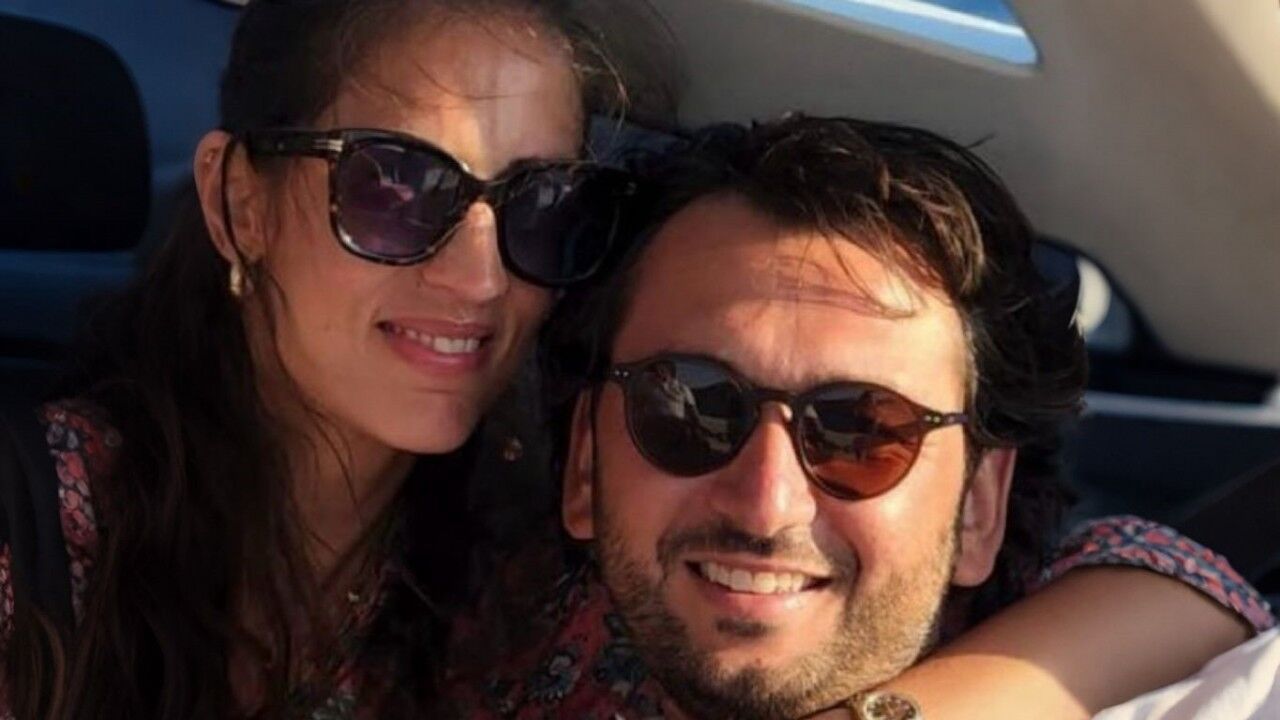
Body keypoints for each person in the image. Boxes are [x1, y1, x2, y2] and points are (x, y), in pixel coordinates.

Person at [445, 115, 1275, 719]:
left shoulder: (1049, 624)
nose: (766, 502)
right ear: (586, 463)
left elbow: (1187, 592)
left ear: (978, 507)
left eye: (863, 431)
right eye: (688, 407)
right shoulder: (481, 620)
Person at [0, 0, 645, 717]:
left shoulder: (526, 606)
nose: (481, 279)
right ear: (239, 203)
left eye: (545, 204)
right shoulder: (37, 534)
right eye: (395, 185)